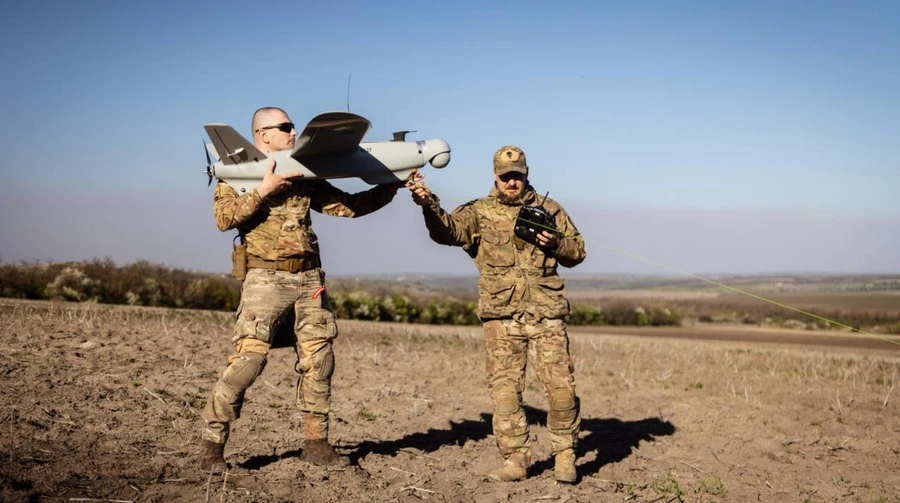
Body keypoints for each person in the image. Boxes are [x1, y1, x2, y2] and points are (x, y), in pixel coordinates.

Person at [199, 106, 409, 472]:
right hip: (266, 281)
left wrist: (389, 188)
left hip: (310, 280)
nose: (294, 132)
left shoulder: (304, 173)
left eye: (293, 125)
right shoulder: (239, 175)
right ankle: (212, 448)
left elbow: (350, 206)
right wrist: (263, 190)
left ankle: (316, 444)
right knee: (248, 362)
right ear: (263, 135)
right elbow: (223, 219)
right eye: (285, 127)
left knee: (320, 361)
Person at [409, 145, 586, 483]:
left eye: (517, 176)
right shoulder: (478, 212)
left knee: (562, 392)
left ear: (526, 173)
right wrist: (429, 205)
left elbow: (577, 251)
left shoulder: (550, 209)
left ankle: (565, 455)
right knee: (505, 395)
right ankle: (515, 460)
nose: (511, 182)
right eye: (505, 177)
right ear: (495, 175)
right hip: (501, 319)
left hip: (546, 316)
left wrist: (557, 244)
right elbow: (447, 232)